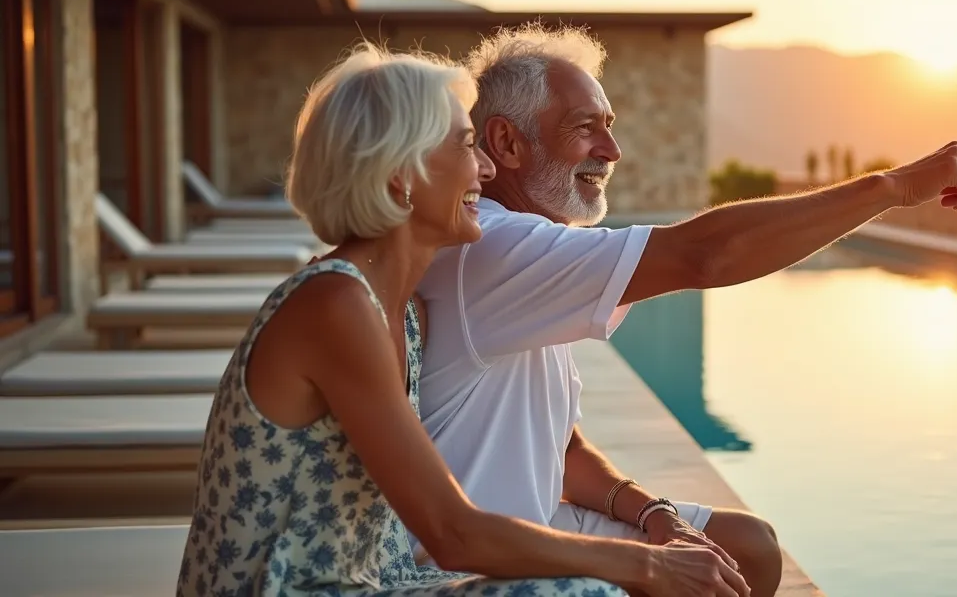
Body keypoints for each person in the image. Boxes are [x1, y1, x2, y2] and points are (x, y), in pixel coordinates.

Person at [411, 23, 957, 597]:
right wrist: (892, 188)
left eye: (609, 123)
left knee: (746, 547)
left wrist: (656, 515)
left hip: (534, 513)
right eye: (584, 127)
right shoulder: (492, 249)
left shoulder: (530, 248)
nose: (613, 149)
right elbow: (705, 256)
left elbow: (562, 450)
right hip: (484, 554)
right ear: (506, 143)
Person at [175, 42, 750, 597]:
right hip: (297, 589)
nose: (482, 167)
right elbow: (452, 534)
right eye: (465, 145)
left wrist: (650, 525)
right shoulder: (334, 306)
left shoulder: (398, 308)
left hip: (371, 577)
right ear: (400, 172)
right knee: (582, 595)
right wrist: (645, 565)